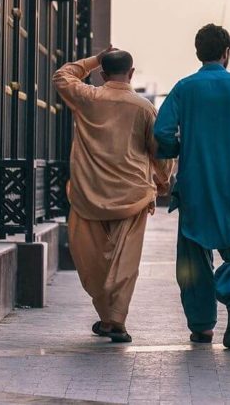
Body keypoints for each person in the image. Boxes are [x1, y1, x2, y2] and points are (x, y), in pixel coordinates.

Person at [154, 24, 230, 349]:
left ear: (197, 52)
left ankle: (202, 326)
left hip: (196, 186)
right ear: (226, 53)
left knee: (193, 257)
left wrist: (177, 150)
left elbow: (162, 132)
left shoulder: (184, 88)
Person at [54, 46, 174, 343]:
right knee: (125, 260)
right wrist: (163, 180)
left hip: (88, 194)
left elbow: (62, 75)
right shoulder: (144, 107)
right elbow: (159, 151)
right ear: (131, 73)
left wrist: (95, 59)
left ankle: (108, 318)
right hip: (132, 196)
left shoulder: (87, 98)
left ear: (103, 74)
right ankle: (115, 319)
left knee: (91, 260)